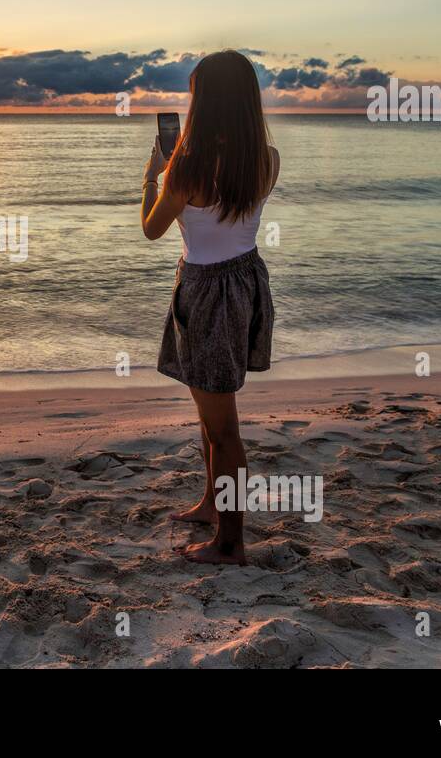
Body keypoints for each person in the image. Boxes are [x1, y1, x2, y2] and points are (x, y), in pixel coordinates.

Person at [139, 49, 280, 565]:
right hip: (245, 282)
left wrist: (153, 175)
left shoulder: (187, 168)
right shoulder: (266, 158)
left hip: (205, 291)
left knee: (223, 427)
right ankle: (210, 504)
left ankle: (230, 542)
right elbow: (231, 217)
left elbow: (153, 230)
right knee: (211, 413)